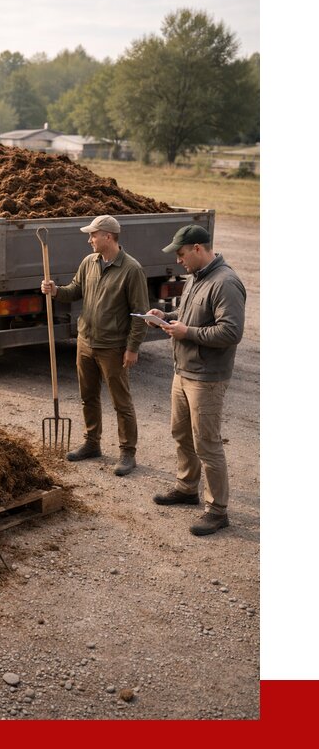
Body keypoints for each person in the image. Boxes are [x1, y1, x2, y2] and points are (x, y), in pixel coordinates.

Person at [145, 224, 246, 536]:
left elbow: (231, 332)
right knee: (181, 434)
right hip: (183, 371)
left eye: (181, 254)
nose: (178, 260)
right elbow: (188, 317)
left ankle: (217, 511)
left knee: (207, 444)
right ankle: (187, 488)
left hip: (207, 378)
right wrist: (166, 318)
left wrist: (186, 332)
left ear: (198, 249)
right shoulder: (195, 277)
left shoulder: (225, 282)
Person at [41, 214, 149, 476]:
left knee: (121, 402)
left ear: (108, 237)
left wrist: (132, 348)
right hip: (85, 342)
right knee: (87, 396)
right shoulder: (89, 262)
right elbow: (75, 290)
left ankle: (127, 453)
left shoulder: (131, 270)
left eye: (93, 235)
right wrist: (55, 290)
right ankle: (92, 443)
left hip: (112, 347)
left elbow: (139, 314)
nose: (89, 239)